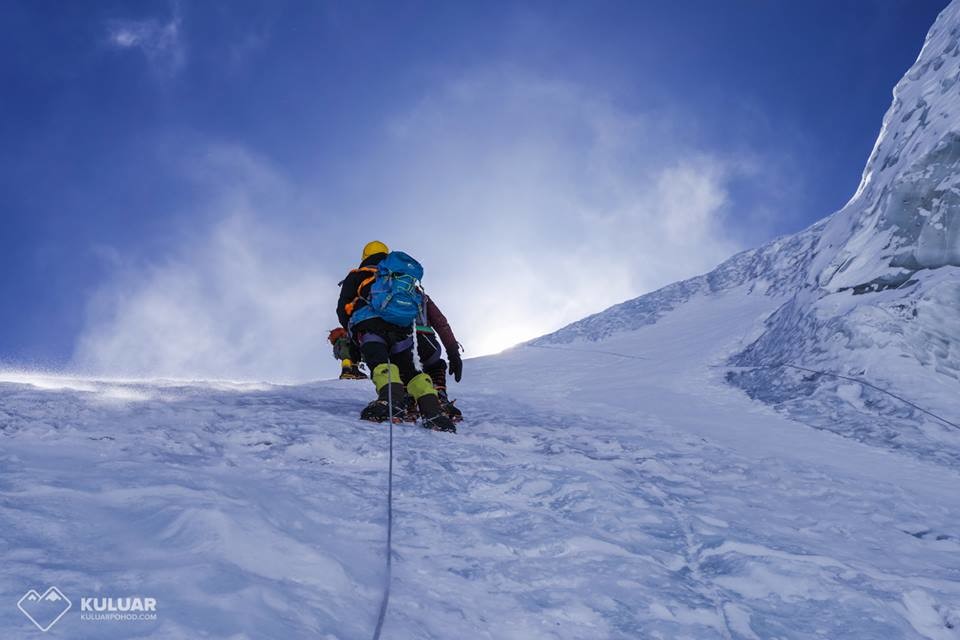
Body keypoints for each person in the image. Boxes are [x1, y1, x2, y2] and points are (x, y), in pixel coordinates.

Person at [336, 240, 457, 432]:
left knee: (380, 362)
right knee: (409, 371)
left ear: (364, 257)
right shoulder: (399, 276)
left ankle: (389, 402)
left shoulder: (358, 275)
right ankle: (433, 411)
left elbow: (342, 309)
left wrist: (352, 333)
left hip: (370, 327)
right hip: (402, 330)